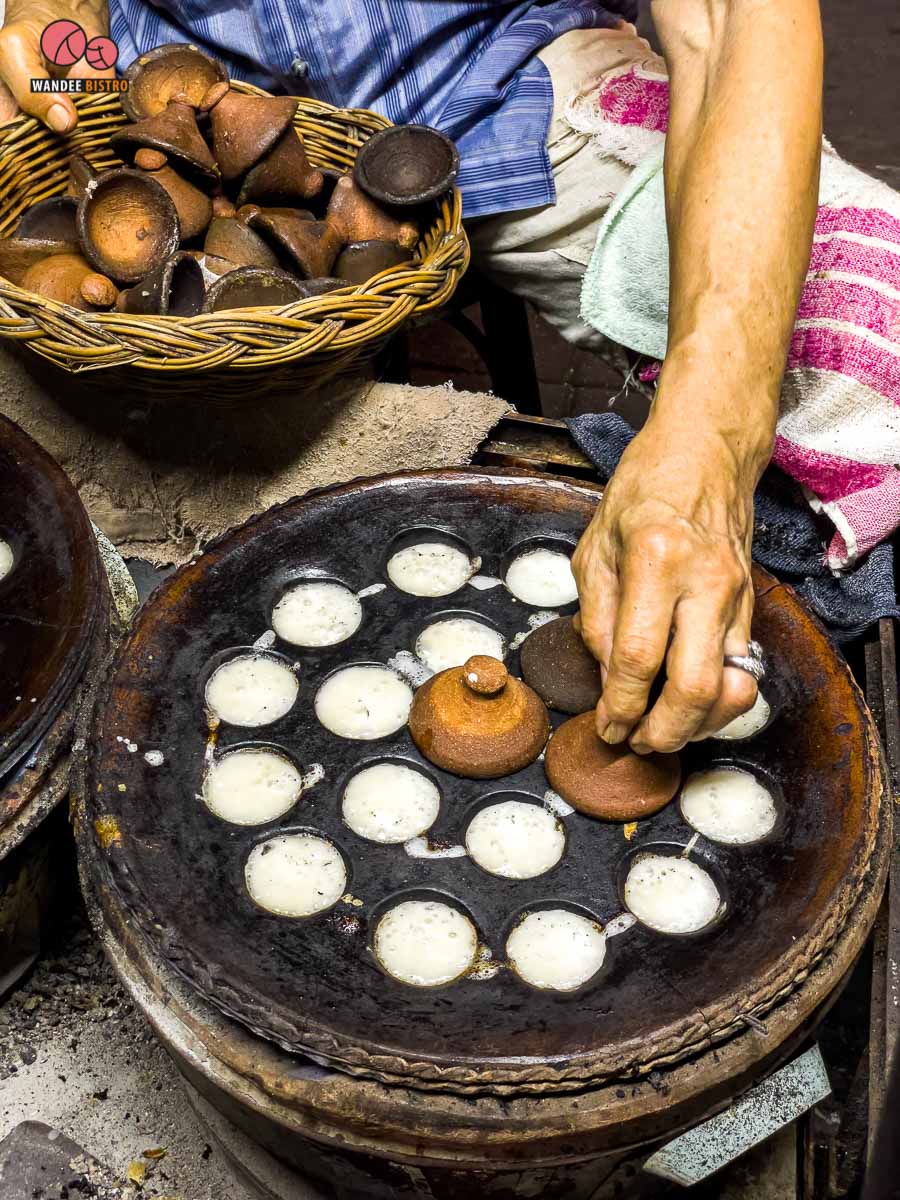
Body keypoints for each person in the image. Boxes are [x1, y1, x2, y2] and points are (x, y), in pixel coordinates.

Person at [0, 0, 825, 753]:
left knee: (867, 369)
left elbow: (737, 24)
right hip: (178, 108)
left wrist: (711, 441)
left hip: (502, 81)